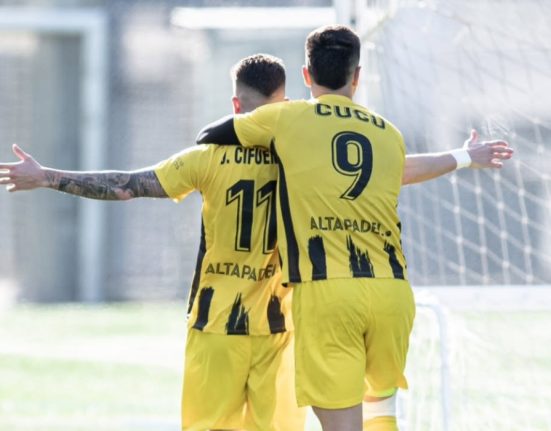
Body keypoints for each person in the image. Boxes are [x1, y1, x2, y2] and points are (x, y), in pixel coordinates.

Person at [1, 51, 512, 430]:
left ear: (236, 103)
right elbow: (395, 169)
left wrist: (47, 176)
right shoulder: (303, 154)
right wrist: (463, 158)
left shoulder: (206, 158)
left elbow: (128, 185)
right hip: (280, 325)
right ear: (285, 102)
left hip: (215, 326)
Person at [195, 27, 513, 431]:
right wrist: (464, 156)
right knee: (381, 414)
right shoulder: (386, 132)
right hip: (391, 295)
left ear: (306, 75)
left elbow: (210, 135)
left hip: (329, 291)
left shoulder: (287, 118)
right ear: (357, 76)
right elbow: (404, 170)